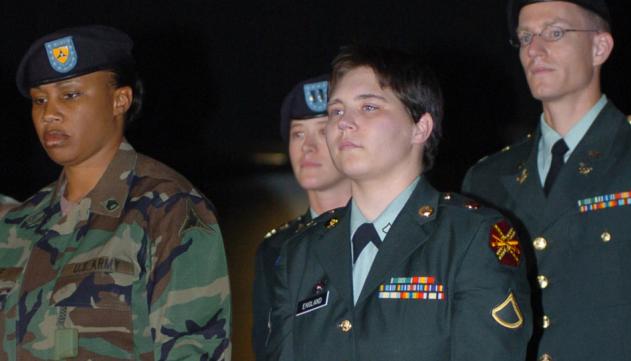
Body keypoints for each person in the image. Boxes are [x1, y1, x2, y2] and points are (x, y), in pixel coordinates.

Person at [267, 46, 532, 361]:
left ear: (420, 127)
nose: (343, 123)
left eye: (368, 107)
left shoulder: (468, 238)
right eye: (336, 111)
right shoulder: (301, 252)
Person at [0, 25, 231, 360]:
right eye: (40, 100)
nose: (49, 114)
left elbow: (195, 349)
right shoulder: (18, 226)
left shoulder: (169, 210)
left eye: (70, 95)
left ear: (119, 100)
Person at [463, 1, 631, 360]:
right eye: (525, 37)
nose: (534, 49)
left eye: (555, 33)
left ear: (599, 47)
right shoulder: (487, 180)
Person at [252, 75, 351, 361]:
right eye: (298, 134)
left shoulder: (383, 231)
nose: (307, 147)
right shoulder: (275, 249)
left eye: (322, 131)